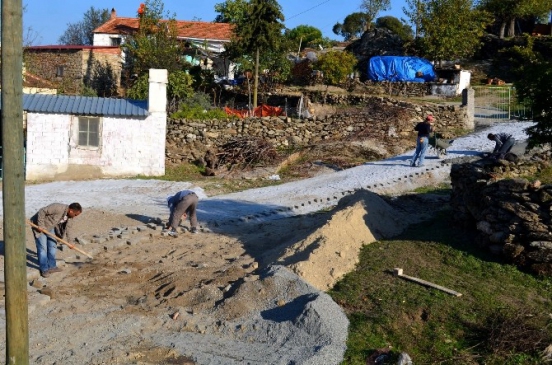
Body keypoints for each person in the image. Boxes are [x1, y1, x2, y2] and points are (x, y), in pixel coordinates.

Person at [31, 202, 82, 278]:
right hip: (38, 225)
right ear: (71, 211)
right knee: (43, 248)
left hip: (50, 226)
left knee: (52, 246)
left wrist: (70, 242)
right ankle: (44, 269)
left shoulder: (70, 217)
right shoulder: (57, 207)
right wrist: (40, 225)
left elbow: (69, 229)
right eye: (75, 215)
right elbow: (42, 211)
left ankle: (52, 266)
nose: (74, 217)